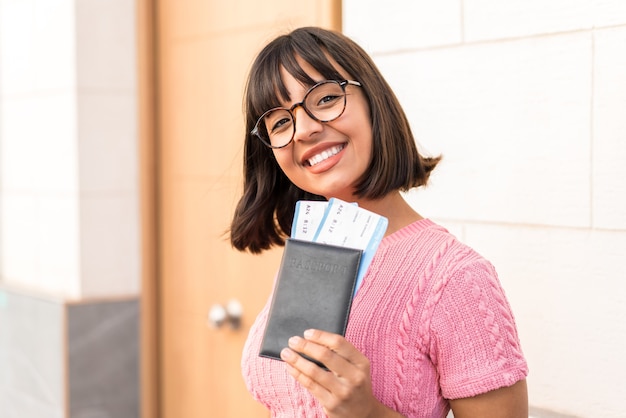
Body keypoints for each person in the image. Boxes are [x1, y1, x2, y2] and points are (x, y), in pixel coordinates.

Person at [230, 26, 528, 418]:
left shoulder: (456, 278)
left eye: (326, 98)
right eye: (280, 122)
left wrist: (369, 412)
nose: (304, 129)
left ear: (374, 103)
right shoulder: (310, 254)